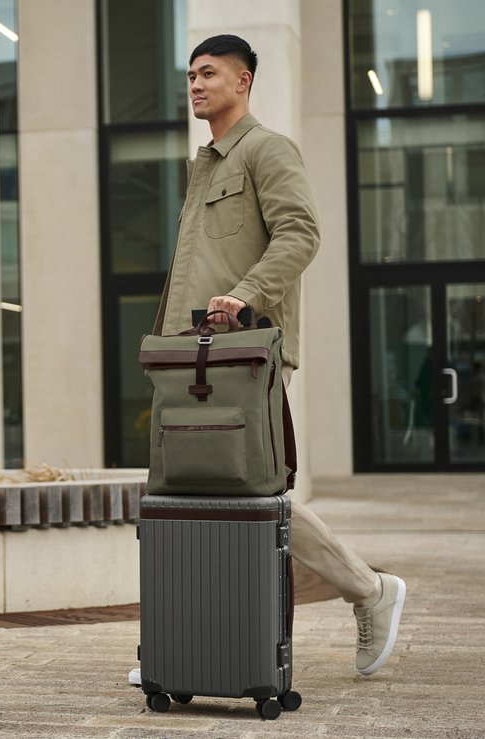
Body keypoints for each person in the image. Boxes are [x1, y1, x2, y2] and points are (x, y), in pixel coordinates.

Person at [131, 34, 406, 683]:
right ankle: (174, 644)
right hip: (187, 362)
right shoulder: (203, 167)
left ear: (243, 80)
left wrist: (246, 296)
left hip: (242, 356)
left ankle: (367, 589)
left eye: (209, 73)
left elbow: (301, 232)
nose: (196, 85)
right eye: (190, 75)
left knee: (253, 492)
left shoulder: (266, 149)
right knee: (180, 495)